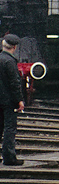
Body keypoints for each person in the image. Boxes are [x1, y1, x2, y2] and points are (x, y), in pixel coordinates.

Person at [0, 33, 25, 166]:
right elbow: (14, 83)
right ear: (14, 47)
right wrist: (19, 100)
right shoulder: (9, 61)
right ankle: (9, 157)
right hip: (8, 101)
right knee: (10, 128)